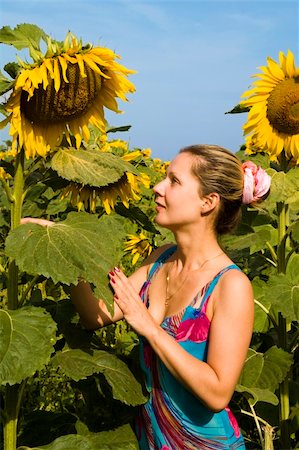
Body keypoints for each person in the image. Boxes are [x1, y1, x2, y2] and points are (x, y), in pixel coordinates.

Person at [22, 144, 271, 450]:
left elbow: (218, 393)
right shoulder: (160, 260)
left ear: (208, 202)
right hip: (152, 440)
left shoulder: (230, 285)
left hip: (206, 443)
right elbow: (96, 315)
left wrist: (151, 329)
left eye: (174, 181)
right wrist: (62, 247)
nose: (157, 187)